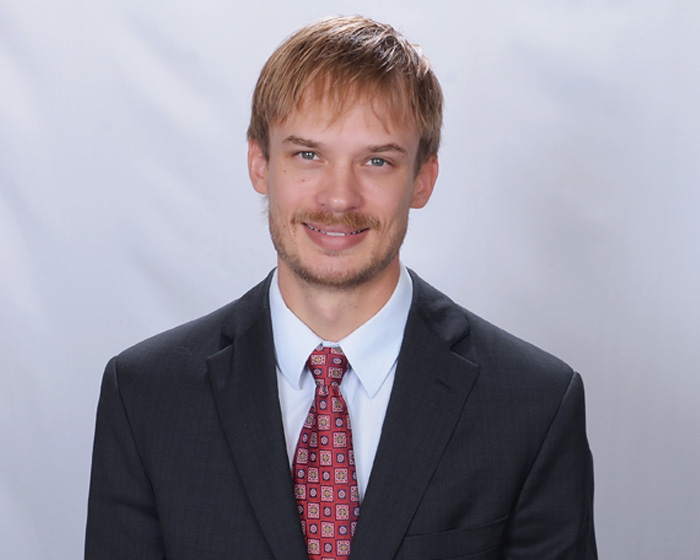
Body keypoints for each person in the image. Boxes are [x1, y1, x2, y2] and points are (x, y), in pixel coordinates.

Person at [85, 15, 597, 560]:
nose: (338, 198)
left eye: (377, 161)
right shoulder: (146, 396)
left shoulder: (533, 405)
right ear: (260, 164)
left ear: (422, 178)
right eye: (308, 154)